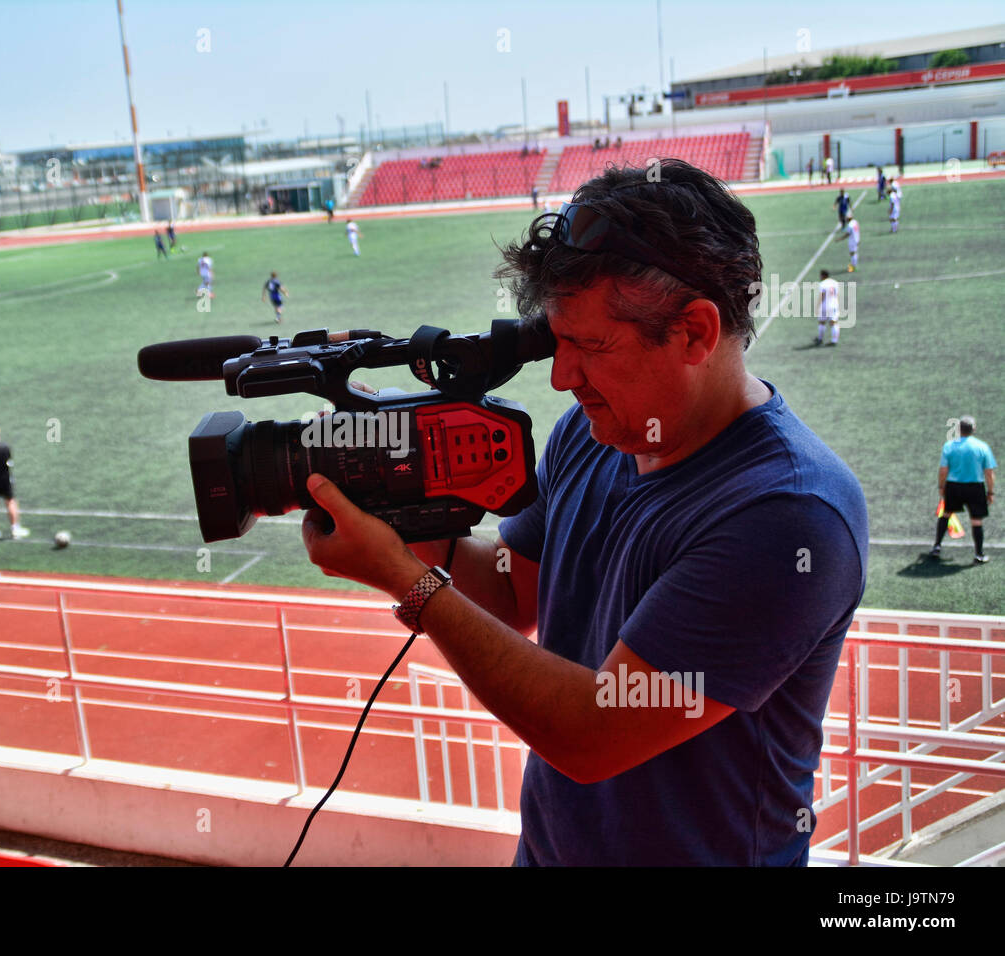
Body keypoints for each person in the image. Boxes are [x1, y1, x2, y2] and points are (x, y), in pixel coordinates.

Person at [298, 158, 868, 866]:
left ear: (694, 332)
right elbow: (511, 592)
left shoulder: (789, 517)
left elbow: (593, 734)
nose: (563, 378)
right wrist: (406, 523)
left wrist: (409, 584)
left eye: (590, 347)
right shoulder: (594, 432)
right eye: (556, 341)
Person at [931, 416, 995, 564]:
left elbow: (943, 470)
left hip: (954, 486)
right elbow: (989, 473)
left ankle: (937, 546)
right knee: (976, 521)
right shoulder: (982, 447)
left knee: (946, 514)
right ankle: (978, 554)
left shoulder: (949, 446)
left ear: (959, 429)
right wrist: (990, 492)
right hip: (975, 487)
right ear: (973, 429)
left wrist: (941, 486)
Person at [815, 269, 841, 347]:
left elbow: (822, 296)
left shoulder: (822, 284)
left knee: (822, 322)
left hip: (825, 306)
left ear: (823, 275)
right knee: (834, 323)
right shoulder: (835, 282)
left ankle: (820, 339)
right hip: (834, 305)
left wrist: (818, 306)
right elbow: (836, 294)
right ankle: (834, 341)